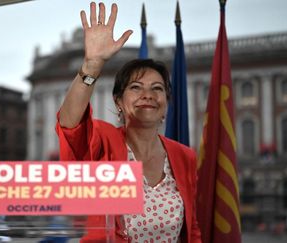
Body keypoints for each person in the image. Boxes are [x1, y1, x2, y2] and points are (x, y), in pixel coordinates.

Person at [56, 2, 202, 242]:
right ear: (119, 102)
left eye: (157, 89)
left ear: (166, 102)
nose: (148, 95)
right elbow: (70, 125)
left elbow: (192, 229)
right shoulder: (105, 141)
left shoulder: (184, 156)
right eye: (136, 88)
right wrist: (92, 65)